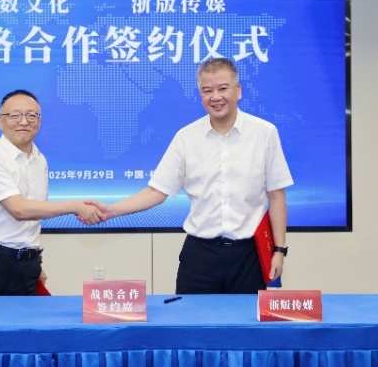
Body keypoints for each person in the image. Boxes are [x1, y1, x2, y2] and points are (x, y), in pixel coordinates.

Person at [89, 58, 293, 294]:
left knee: (247, 319)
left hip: (249, 256)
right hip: (200, 256)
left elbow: (276, 196)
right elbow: (157, 191)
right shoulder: (186, 138)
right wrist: (111, 211)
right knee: (191, 318)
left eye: (222, 88)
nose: (215, 97)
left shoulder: (264, 134)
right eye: (207, 90)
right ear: (200, 95)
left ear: (238, 90)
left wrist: (279, 250)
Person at [0, 89, 104, 296]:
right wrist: (74, 206)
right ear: (0, 121)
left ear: (39, 120)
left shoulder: (39, 160)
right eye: (15, 115)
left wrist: (34, 260)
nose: (24, 121)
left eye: (31, 115)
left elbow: (33, 218)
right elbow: (19, 210)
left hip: (27, 266)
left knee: (28, 319)